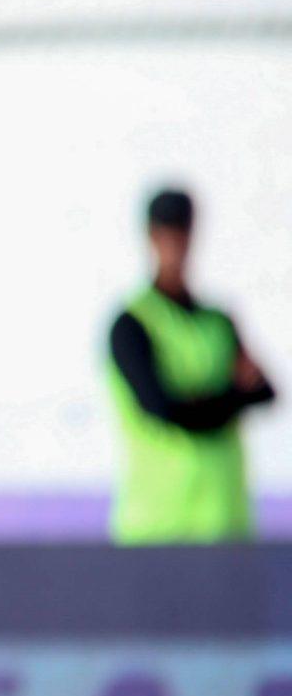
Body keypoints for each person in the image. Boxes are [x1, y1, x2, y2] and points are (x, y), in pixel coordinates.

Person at [106, 187, 274, 544]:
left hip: (224, 519)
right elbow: (163, 409)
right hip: (157, 524)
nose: (176, 244)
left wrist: (206, 403)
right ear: (152, 236)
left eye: (182, 231)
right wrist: (232, 396)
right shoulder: (133, 324)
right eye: (168, 232)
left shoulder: (217, 321)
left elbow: (266, 392)